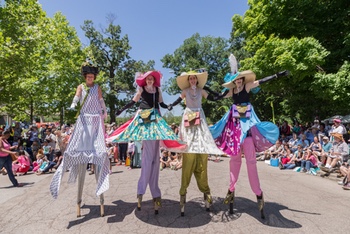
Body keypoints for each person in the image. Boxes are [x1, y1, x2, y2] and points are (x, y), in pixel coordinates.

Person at [209, 54, 287, 218]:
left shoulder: (247, 87)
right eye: (236, 80)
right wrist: (205, 89)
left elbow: (263, 80)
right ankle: (231, 189)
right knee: (234, 160)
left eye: (240, 79)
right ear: (234, 81)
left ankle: (258, 193)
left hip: (248, 132)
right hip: (235, 132)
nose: (238, 81)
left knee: (251, 163)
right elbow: (218, 97)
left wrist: (277, 75)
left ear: (243, 80)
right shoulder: (231, 91)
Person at [107, 70, 185, 214]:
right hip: (144, 122)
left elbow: (161, 104)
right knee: (149, 159)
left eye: (151, 79)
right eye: (147, 79)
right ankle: (144, 191)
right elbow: (133, 101)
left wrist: (168, 106)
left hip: (155, 121)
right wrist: (121, 110)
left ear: (154, 80)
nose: (149, 81)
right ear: (145, 80)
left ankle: (153, 193)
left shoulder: (157, 90)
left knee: (154, 159)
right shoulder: (141, 89)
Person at [167, 69, 226, 216]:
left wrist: (223, 94)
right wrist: (170, 106)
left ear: (197, 80)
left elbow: (213, 98)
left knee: (201, 136)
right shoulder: (186, 91)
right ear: (188, 80)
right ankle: (183, 194)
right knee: (188, 139)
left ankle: (206, 193)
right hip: (189, 114)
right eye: (191, 79)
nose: (192, 80)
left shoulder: (201, 90)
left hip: (199, 114)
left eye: (194, 78)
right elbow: (178, 100)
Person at [50, 62, 110, 206]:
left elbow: (100, 100)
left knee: (98, 146)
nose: (90, 78)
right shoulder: (81, 87)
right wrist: (73, 104)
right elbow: (77, 97)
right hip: (84, 118)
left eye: (92, 76)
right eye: (88, 76)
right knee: (79, 143)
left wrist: (104, 109)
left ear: (94, 77)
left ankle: (99, 166)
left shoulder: (97, 87)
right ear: (85, 77)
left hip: (95, 118)